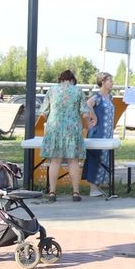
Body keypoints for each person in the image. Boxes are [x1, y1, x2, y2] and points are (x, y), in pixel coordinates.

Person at [38, 69, 93, 201]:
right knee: (73, 161)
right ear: (72, 80)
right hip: (72, 129)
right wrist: (89, 122)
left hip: (54, 128)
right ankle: (75, 193)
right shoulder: (78, 90)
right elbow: (85, 113)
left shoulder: (52, 90)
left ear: (60, 79)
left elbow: (43, 113)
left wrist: (51, 121)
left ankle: (52, 192)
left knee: (55, 160)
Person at [84, 72, 115, 197]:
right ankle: (92, 187)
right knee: (95, 158)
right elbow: (87, 105)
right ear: (102, 82)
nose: (112, 83)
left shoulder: (110, 97)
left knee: (104, 158)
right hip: (98, 132)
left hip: (107, 133)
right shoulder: (97, 97)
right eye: (110, 81)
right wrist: (93, 117)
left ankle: (99, 185)